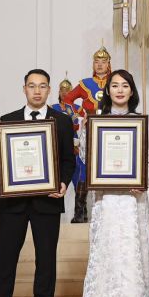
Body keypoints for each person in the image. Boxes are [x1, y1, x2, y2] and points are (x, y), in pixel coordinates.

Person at [0, 69, 75, 297]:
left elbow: (68, 160)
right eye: (32, 86)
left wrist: (63, 182)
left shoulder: (62, 121)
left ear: (49, 90)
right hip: (14, 202)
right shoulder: (6, 122)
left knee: (46, 260)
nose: (37, 91)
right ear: (24, 89)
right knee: (5, 258)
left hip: (47, 200)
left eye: (42, 86)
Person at [79, 69, 149, 297]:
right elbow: (87, 157)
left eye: (125, 85)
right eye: (114, 85)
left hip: (133, 199)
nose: (120, 90)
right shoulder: (95, 122)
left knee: (130, 251)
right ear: (107, 90)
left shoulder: (141, 122)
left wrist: (142, 179)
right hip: (107, 197)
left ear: (132, 91)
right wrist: (87, 133)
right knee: (109, 250)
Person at [64, 45, 112, 222]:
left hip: (109, 127)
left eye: (103, 61)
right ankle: (80, 211)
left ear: (108, 64)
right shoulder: (85, 84)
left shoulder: (115, 81)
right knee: (84, 165)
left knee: (109, 164)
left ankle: (108, 211)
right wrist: (75, 117)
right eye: (97, 61)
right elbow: (67, 99)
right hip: (89, 127)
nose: (100, 65)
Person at [52, 74, 88, 223]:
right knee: (56, 179)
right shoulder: (52, 109)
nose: (65, 93)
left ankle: (80, 212)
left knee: (79, 178)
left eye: (68, 90)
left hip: (76, 148)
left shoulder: (79, 109)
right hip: (58, 150)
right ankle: (52, 214)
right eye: (62, 90)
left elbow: (85, 128)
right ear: (58, 92)